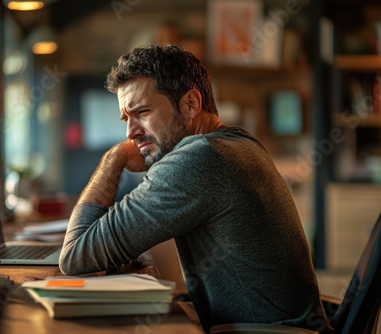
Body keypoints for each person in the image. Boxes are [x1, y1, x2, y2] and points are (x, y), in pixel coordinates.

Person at [59, 44, 333, 334]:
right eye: (126, 119)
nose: (130, 133)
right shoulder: (237, 142)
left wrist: (113, 159)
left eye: (142, 112)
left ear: (190, 104)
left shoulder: (200, 156)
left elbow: (76, 256)